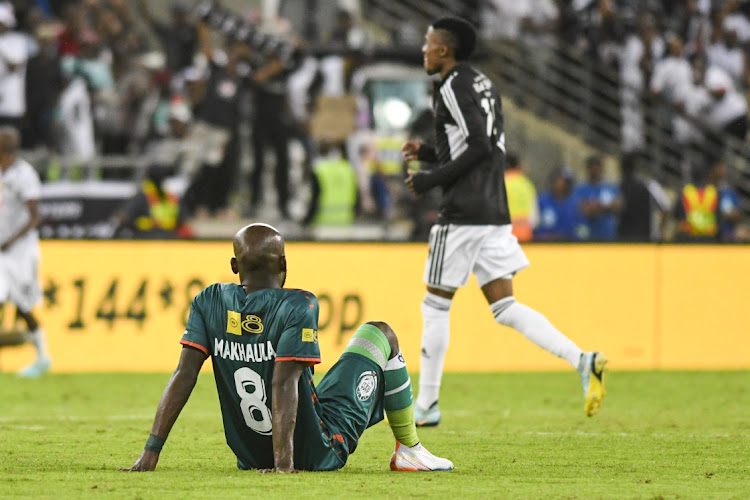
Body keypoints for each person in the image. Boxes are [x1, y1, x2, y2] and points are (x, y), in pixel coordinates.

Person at [402, 17, 606, 426]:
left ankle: (426, 404)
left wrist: (429, 180)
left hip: (462, 212)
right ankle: (581, 360)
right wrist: (427, 151)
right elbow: (483, 146)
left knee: (435, 305)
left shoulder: (452, 85)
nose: (423, 49)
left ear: (445, 50)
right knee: (505, 306)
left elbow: (477, 145)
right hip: (493, 211)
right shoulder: (483, 83)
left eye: (428, 43)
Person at [122, 223, 452, 473]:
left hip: (250, 456)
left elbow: (184, 375)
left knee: (308, 385)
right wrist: (284, 466)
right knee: (381, 334)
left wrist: (151, 450)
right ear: (283, 263)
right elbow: (282, 383)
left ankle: (403, 450)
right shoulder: (299, 304)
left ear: (235, 266)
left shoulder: (208, 301)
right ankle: (409, 449)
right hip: (316, 450)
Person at [0, 127, 51, 377]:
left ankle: (42, 356)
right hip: (2, 253)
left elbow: (35, 216)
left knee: (22, 305)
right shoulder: (2, 173)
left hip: (21, 251)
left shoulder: (24, 174)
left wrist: (10, 240)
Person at [574, 155, 623, 241]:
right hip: (587, 236)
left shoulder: (610, 187)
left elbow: (618, 207)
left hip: (608, 236)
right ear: (587, 169)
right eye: (592, 167)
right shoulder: (580, 189)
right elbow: (586, 211)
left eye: (597, 167)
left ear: (601, 169)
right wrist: (607, 207)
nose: (594, 170)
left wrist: (597, 207)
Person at [534, 166, 582, 241]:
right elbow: (534, 226)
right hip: (544, 246)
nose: (564, 185)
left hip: (570, 246)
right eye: (561, 180)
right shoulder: (541, 201)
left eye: (567, 182)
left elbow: (581, 229)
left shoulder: (576, 202)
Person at [503, 152, 538, 242]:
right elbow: (534, 219)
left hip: (501, 238)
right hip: (524, 238)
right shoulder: (526, 185)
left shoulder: (495, 184)